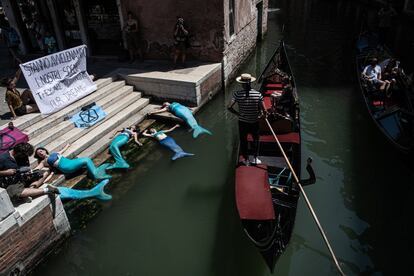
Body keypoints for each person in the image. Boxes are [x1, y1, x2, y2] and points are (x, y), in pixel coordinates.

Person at [228, 73, 266, 165]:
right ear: (250, 83)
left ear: (242, 84)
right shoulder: (258, 94)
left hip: (242, 122)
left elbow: (229, 107)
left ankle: (245, 159)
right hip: (254, 122)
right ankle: (255, 158)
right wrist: (261, 115)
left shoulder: (237, 94)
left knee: (243, 140)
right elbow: (264, 110)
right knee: (256, 140)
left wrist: (238, 114)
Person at [34, 144, 111, 180]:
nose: (40, 153)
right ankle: (96, 175)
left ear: (44, 150)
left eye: (40, 151)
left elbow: (62, 151)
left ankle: (93, 173)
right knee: (86, 160)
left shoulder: (54, 153)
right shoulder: (44, 161)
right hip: (66, 167)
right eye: (38, 154)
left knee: (84, 161)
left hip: (70, 162)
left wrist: (67, 145)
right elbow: (38, 168)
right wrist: (31, 171)